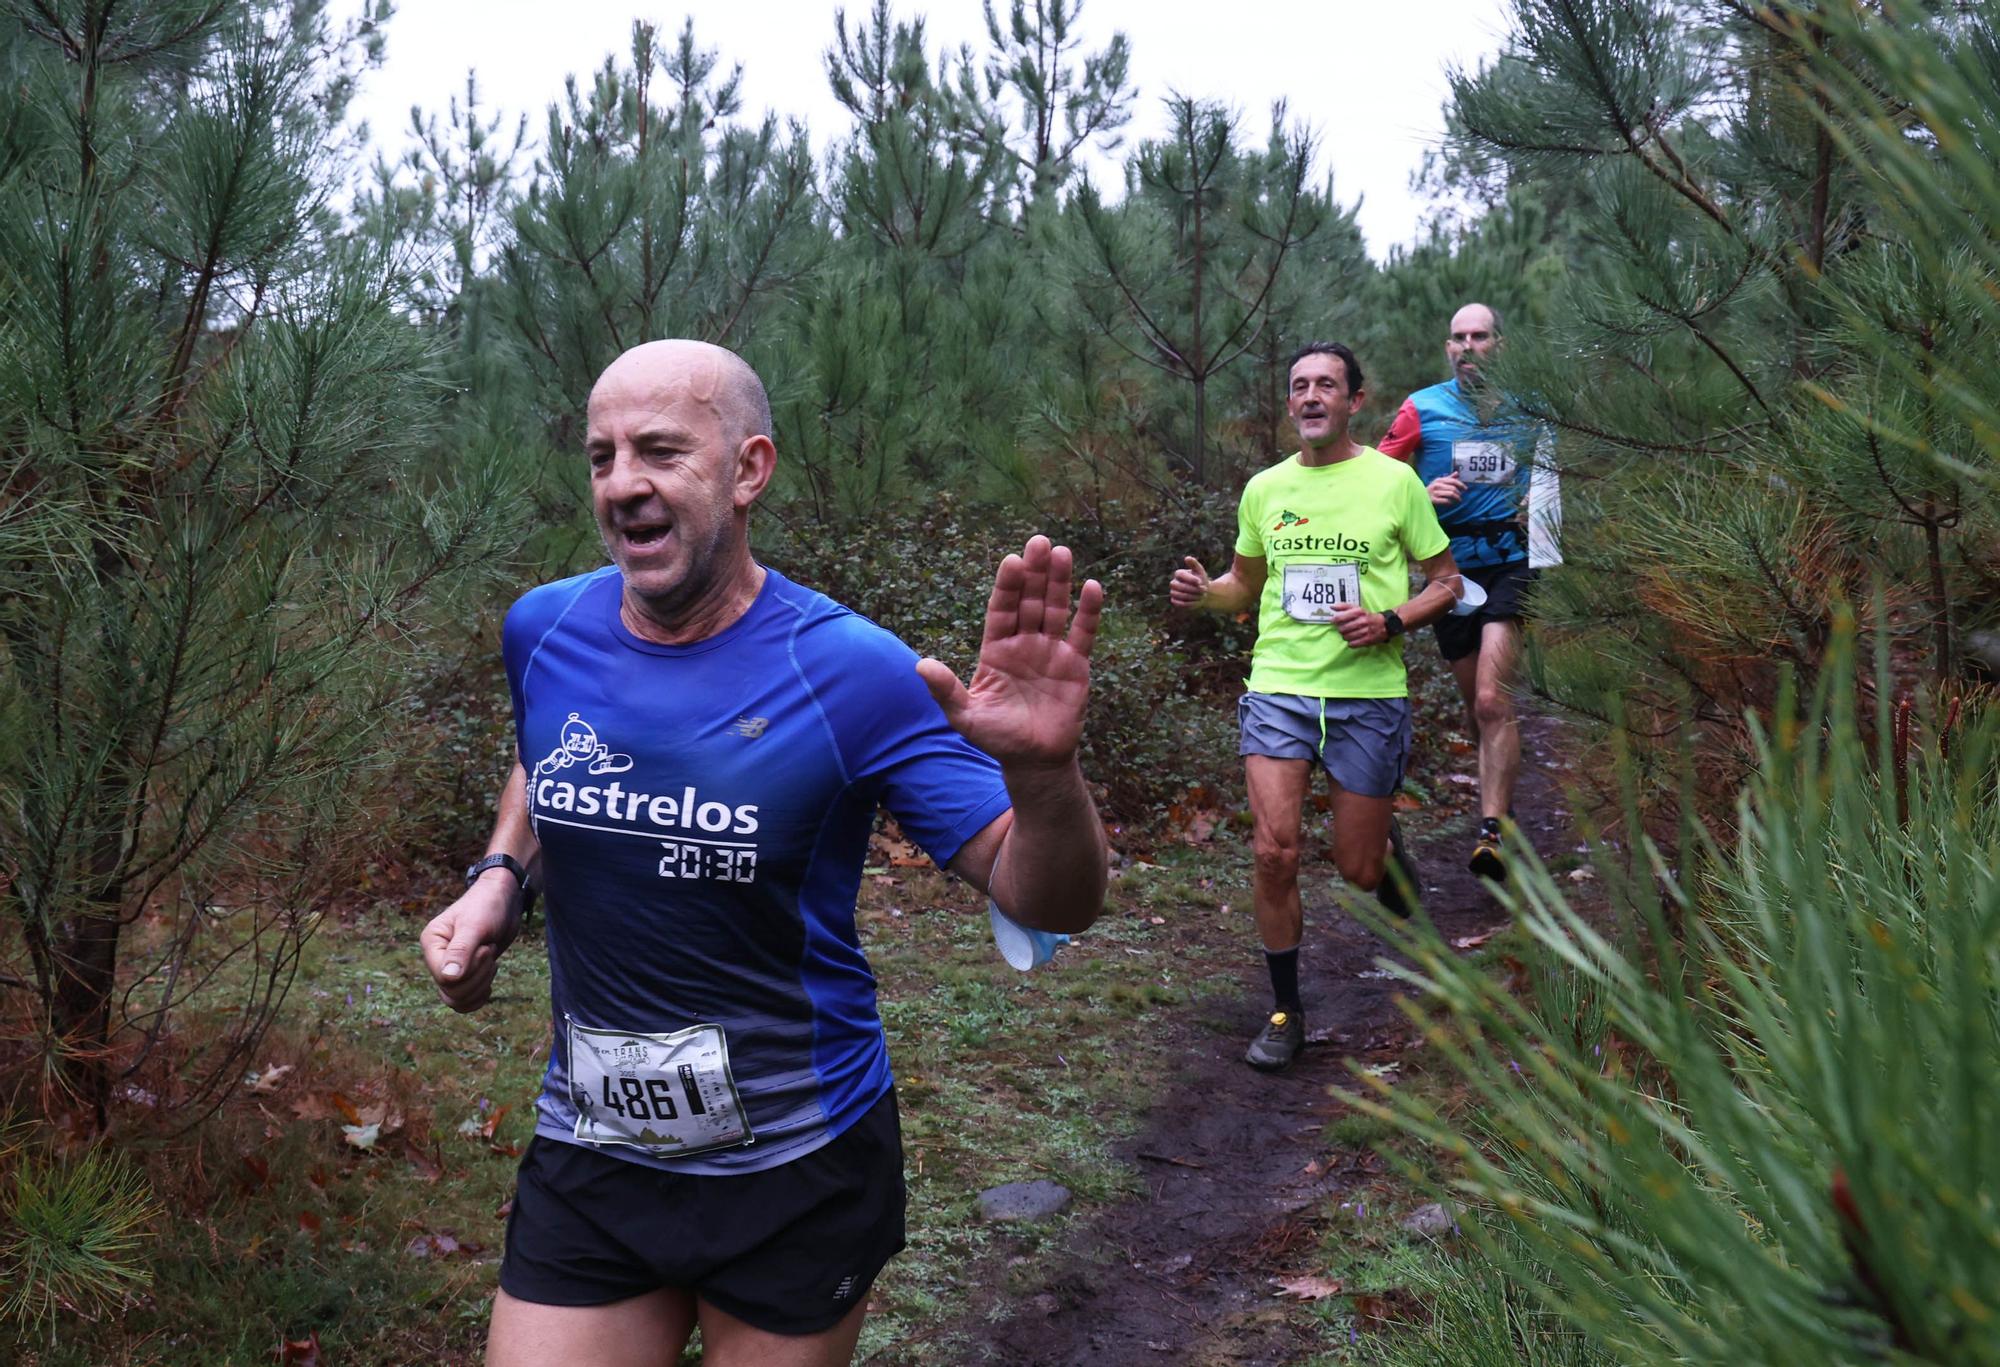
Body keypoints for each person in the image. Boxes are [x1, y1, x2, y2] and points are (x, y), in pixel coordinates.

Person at [419, 339, 1108, 1367]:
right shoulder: (544, 628)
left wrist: (1045, 777)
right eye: (600, 456)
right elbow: (552, 751)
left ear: (748, 469)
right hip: (593, 1147)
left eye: (658, 450)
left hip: (797, 1162)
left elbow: (1042, 895)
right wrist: (499, 877)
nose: (622, 484)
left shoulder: (852, 671)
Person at [1169, 342, 1458, 1073]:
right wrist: (1207, 596)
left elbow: (1447, 583)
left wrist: (1390, 621)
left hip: (1367, 695)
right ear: (1289, 401)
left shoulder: (1396, 483)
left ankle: (1386, 857)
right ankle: (1284, 1009)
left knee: (1357, 870)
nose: (1311, 396)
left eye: (1326, 384)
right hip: (1280, 690)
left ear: (1354, 400)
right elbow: (1243, 585)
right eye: (1299, 385)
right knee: (1275, 852)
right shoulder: (1265, 489)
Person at [1379, 303, 1561, 884]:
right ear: (1446, 348)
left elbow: (1559, 476)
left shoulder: (1531, 409)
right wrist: (1418, 490)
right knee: (1476, 706)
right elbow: (1372, 477)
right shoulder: (1421, 408)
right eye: (1458, 338)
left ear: (1499, 345)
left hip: (1512, 562)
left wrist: (1550, 541)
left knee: (1490, 698)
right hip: (1450, 572)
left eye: (1479, 337)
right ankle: (1499, 804)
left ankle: (1491, 833)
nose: (1467, 347)